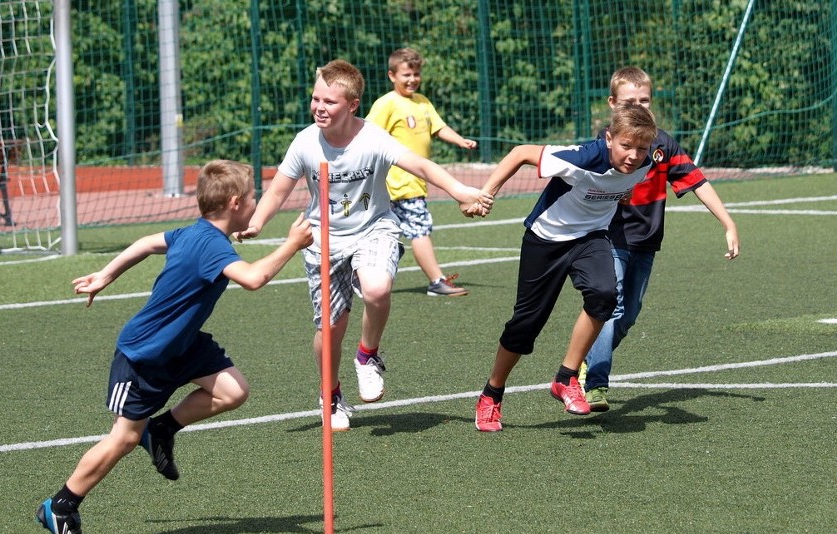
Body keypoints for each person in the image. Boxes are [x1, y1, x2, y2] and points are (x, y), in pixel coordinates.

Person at [35, 160, 313, 534]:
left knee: (233, 391)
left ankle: (163, 429)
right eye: (253, 197)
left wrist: (107, 275)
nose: (256, 203)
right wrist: (292, 244)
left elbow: (147, 243)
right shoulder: (212, 246)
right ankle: (62, 505)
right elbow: (254, 279)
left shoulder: (196, 233)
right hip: (144, 354)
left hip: (183, 345)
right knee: (124, 439)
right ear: (234, 203)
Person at [236, 59, 491, 432]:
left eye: (330, 102)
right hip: (323, 241)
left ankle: (367, 355)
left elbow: (421, 166)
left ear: (353, 105)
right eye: (315, 99)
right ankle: (331, 392)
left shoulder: (372, 138)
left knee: (376, 288)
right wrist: (256, 222)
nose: (319, 107)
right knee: (330, 330)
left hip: (375, 229)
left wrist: (459, 191)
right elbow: (278, 189)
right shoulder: (306, 142)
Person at [473, 104, 658, 432]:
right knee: (526, 325)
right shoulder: (582, 158)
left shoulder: (649, 160)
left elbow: (624, 185)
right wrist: (486, 193)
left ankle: (566, 377)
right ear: (609, 138)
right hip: (546, 239)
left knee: (604, 295)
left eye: (641, 149)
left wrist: (621, 195)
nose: (633, 155)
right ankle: (492, 394)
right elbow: (520, 153)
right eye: (626, 146)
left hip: (592, 238)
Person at [582, 67, 740, 412]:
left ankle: (586, 358)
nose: (639, 108)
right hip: (610, 239)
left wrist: (728, 222)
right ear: (612, 105)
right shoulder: (605, 143)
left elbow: (696, 180)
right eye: (629, 102)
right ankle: (594, 384)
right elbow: (579, 182)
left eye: (645, 101)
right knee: (613, 306)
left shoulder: (663, 144)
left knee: (628, 316)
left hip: (647, 243)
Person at [366, 47, 478, 297]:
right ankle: (436, 281)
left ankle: (368, 280)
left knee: (383, 234)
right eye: (406, 74)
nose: (412, 79)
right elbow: (368, 135)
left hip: (413, 184)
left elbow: (439, 128)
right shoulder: (386, 104)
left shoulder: (423, 103)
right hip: (397, 184)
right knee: (419, 229)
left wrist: (460, 140)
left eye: (416, 74)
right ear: (391, 75)